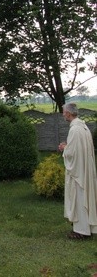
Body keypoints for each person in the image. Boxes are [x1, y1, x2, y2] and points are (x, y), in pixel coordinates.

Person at [58, 102, 97, 239]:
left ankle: (81, 231)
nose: (63, 115)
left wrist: (64, 148)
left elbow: (72, 153)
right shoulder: (84, 127)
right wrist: (69, 146)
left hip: (78, 173)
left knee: (79, 198)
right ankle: (85, 228)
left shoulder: (75, 129)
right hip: (84, 169)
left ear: (68, 113)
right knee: (84, 197)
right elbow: (80, 148)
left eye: (63, 112)